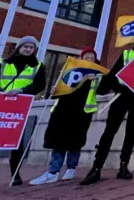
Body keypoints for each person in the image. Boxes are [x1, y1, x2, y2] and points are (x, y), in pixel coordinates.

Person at [0, 36, 46, 194]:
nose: (27, 49)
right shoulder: (1, 64)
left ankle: (15, 175)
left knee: (16, 141)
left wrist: (21, 91)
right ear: (18, 47)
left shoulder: (39, 66)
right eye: (25, 46)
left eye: (31, 47)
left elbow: (40, 85)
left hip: (18, 106)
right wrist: (3, 94)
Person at [79, 30, 134, 185]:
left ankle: (124, 166)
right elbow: (113, 75)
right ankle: (96, 168)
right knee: (110, 130)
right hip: (122, 96)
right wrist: (118, 88)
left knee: (131, 132)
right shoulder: (126, 55)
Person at [29, 47, 105, 185]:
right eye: (86, 55)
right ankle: (53, 171)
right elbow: (60, 87)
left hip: (81, 110)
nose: (89, 57)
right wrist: (55, 90)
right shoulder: (70, 70)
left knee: (75, 142)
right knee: (58, 141)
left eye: (92, 56)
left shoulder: (98, 73)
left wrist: (95, 80)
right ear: (80, 58)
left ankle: (71, 169)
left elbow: (103, 89)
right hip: (63, 109)